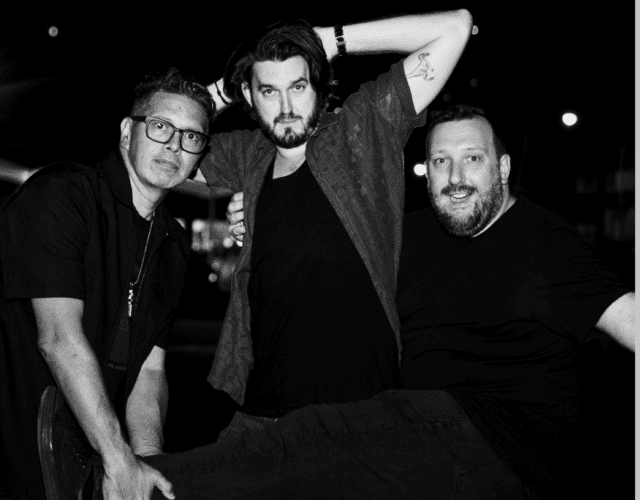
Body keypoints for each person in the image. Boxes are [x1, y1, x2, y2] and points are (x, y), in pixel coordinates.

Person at [223, 104, 634, 499]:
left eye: (473, 158)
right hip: (416, 435)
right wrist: (260, 211)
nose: (456, 178)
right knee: (292, 441)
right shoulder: (407, 237)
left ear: (504, 168)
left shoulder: (546, 244)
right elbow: (322, 246)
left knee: (314, 440)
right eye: (441, 161)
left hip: (508, 448)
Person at [192, 12, 474, 438]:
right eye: (268, 91)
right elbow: (157, 144)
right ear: (249, 96)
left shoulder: (362, 130)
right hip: (262, 417)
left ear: (318, 86)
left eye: (298, 86)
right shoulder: (247, 155)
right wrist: (225, 88)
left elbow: (455, 27)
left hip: (360, 420)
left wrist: (330, 40)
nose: (286, 107)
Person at [0, 67, 215, 500]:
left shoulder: (172, 244)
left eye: (191, 136)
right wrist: (120, 458)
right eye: (160, 126)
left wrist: (148, 464)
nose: (174, 145)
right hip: (12, 449)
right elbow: (58, 339)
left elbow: (149, 374)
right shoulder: (64, 194)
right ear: (126, 132)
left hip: (86, 462)